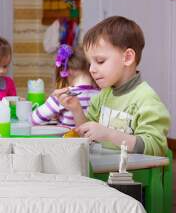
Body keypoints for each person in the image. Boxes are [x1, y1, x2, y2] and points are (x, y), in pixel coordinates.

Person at [58, 16, 170, 156]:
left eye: (100, 61)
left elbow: (155, 147)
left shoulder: (146, 100)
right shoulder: (102, 96)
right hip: (105, 173)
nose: (91, 69)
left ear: (127, 58)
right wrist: (76, 109)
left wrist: (109, 135)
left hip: (134, 177)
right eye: (89, 63)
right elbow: (87, 136)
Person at [30, 45, 100, 127]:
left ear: (68, 71)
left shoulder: (63, 96)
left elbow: (34, 120)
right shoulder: (101, 94)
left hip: (67, 139)